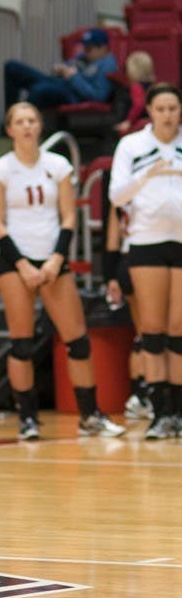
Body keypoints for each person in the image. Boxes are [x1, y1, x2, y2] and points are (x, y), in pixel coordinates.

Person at [0, 101, 126, 441]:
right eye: (19, 121)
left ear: (40, 125)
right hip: (14, 261)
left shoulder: (57, 165)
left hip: (52, 259)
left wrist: (55, 260)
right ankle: (28, 419)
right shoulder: (0, 170)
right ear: (10, 130)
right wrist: (21, 265)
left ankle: (90, 414)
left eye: (32, 120)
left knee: (77, 340)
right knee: (21, 343)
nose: (27, 126)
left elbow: (67, 217)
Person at [109, 82, 182, 440]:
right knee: (152, 328)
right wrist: (148, 173)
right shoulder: (132, 146)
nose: (168, 115)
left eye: (173, 108)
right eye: (161, 108)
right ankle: (160, 410)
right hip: (146, 241)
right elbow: (116, 195)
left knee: (178, 328)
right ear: (149, 111)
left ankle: (178, 412)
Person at [103, 201, 152, 421]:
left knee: (143, 333)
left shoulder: (121, 193)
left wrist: (111, 276)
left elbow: (112, 241)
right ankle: (149, 395)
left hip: (127, 261)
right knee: (156, 333)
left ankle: (141, 395)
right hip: (149, 259)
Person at [4, 27, 118, 112]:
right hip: (60, 82)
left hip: (73, 95)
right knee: (12, 68)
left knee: (39, 90)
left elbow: (98, 96)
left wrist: (74, 77)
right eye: (85, 48)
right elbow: (69, 65)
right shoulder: (84, 57)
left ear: (103, 48)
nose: (85, 52)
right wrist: (60, 69)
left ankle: (20, 123)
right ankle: (10, 118)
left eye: (89, 49)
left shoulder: (108, 64)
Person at [113, 50, 155, 137]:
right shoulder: (153, 84)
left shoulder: (136, 87)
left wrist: (128, 122)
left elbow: (139, 105)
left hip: (138, 124)